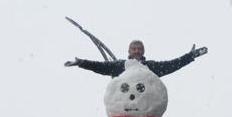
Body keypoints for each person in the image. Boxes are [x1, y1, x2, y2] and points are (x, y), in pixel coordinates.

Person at [65, 39, 207, 78]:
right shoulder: (119, 65)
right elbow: (99, 66)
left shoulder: (150, 67)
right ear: (129, 51)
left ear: (143, 51)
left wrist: (190, 56)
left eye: (139, 49)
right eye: (134, 48)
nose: (137, 51)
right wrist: (81, 62)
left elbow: (172, 65)